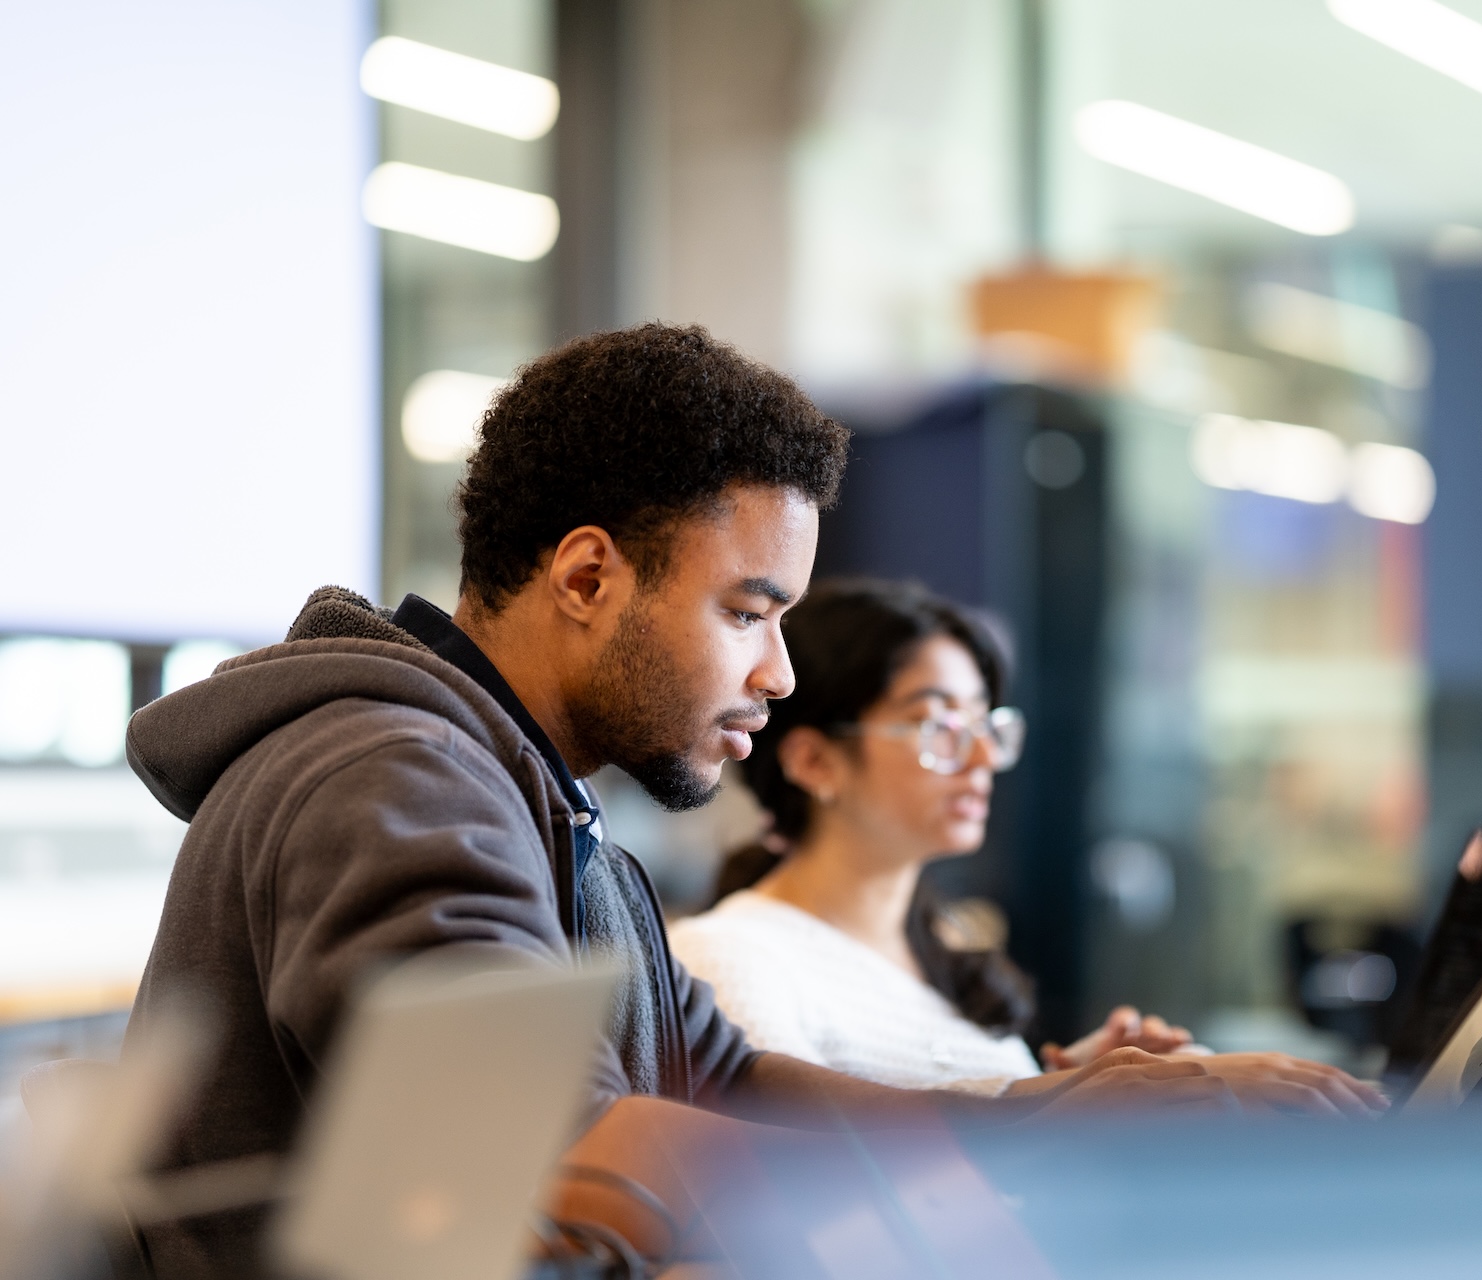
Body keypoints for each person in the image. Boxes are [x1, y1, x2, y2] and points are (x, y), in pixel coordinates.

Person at [122, 324, 1384, 1276]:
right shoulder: (389, 773)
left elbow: (721, 1080)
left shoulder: (558, 821)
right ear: (587, 576)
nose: (779, 673)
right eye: (747, 611)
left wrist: (1050, 1102)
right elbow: (553, 1152)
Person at [670, 578, 1197, 1095]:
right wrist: (1056, 1107)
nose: (983, 757)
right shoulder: (729, 959)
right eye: (938, 725)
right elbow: (808, 1166)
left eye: (985, 725)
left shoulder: (944, 945)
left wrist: (1064, 1081)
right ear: (814, 761)